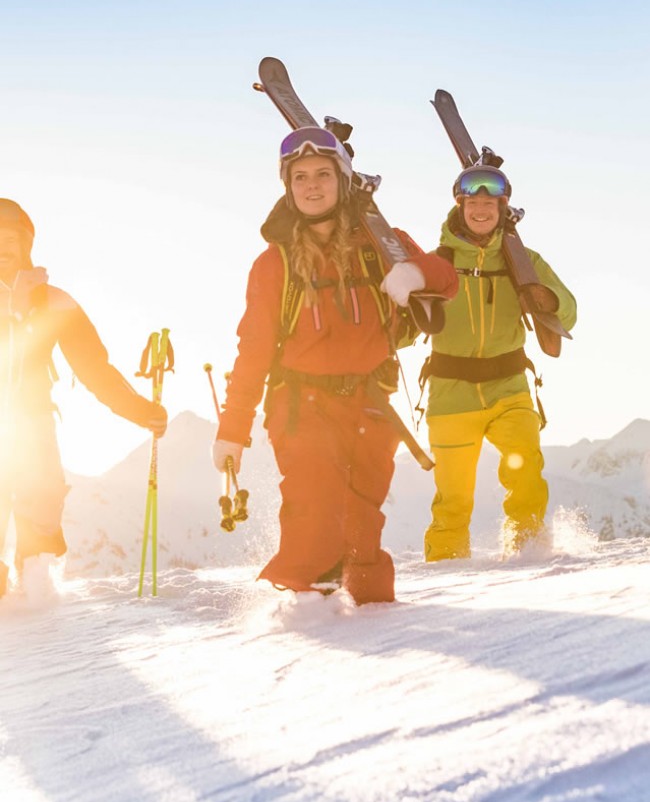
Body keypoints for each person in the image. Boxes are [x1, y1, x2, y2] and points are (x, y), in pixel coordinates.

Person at [212, 127, 457, 605]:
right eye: (300, 177)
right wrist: (233, 428)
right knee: (315, 510)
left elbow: (446, 279)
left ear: (342, 180)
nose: (312, 185)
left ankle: (373, 616)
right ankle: (305, 618)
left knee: (363, 524)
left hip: (369, 403)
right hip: (300, 405)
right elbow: (253, 350)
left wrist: (415, 272)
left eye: (323, 174)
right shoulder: (273, 264)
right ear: (288, 187)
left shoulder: (381, 243)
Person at [0, 198, 168, 595]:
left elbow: (94, 367)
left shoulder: (55, 301)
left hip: (31, 423)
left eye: (10, 239)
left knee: (41, 502)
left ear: (26, 245)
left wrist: (141, 410)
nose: (2, 247)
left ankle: (36, 588)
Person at [421, 165, 577, 561]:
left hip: (510, 387)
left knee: (526, 474)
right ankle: (446, 576)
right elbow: (405, 328)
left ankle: (529, 557)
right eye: (473, 202)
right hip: (450, 393)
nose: (480, 209)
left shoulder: (524, 259)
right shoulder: (436, 262)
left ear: (501, 208)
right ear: (460, 206)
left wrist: (543, 297)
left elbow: (568, 312)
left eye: (489, 203)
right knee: (453, 500)